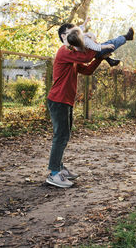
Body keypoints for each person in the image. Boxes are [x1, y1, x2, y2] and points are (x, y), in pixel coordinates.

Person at [45, 22, 116, 188]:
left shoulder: (72, 55)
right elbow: (85, 57)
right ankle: (54, 173)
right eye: (73, 32)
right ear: (64, 36)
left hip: (65, 101)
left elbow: (87, 69)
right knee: (60, 136)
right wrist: (99, 48)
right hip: (58, 100)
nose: (79, 35)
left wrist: (100, 58)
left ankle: (59, 168)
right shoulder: (64, 51)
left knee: (64, 135)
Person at [66, 17, 134, 66]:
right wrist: (106, 46)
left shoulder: (75, 39)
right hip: (96, 52)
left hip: (93, 51)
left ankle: (110, 61)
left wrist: (85, 22)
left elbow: (80, 28)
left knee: (105, 50)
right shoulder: (85, 41)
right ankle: (127, 37)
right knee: (111, 43)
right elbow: (96, 47)